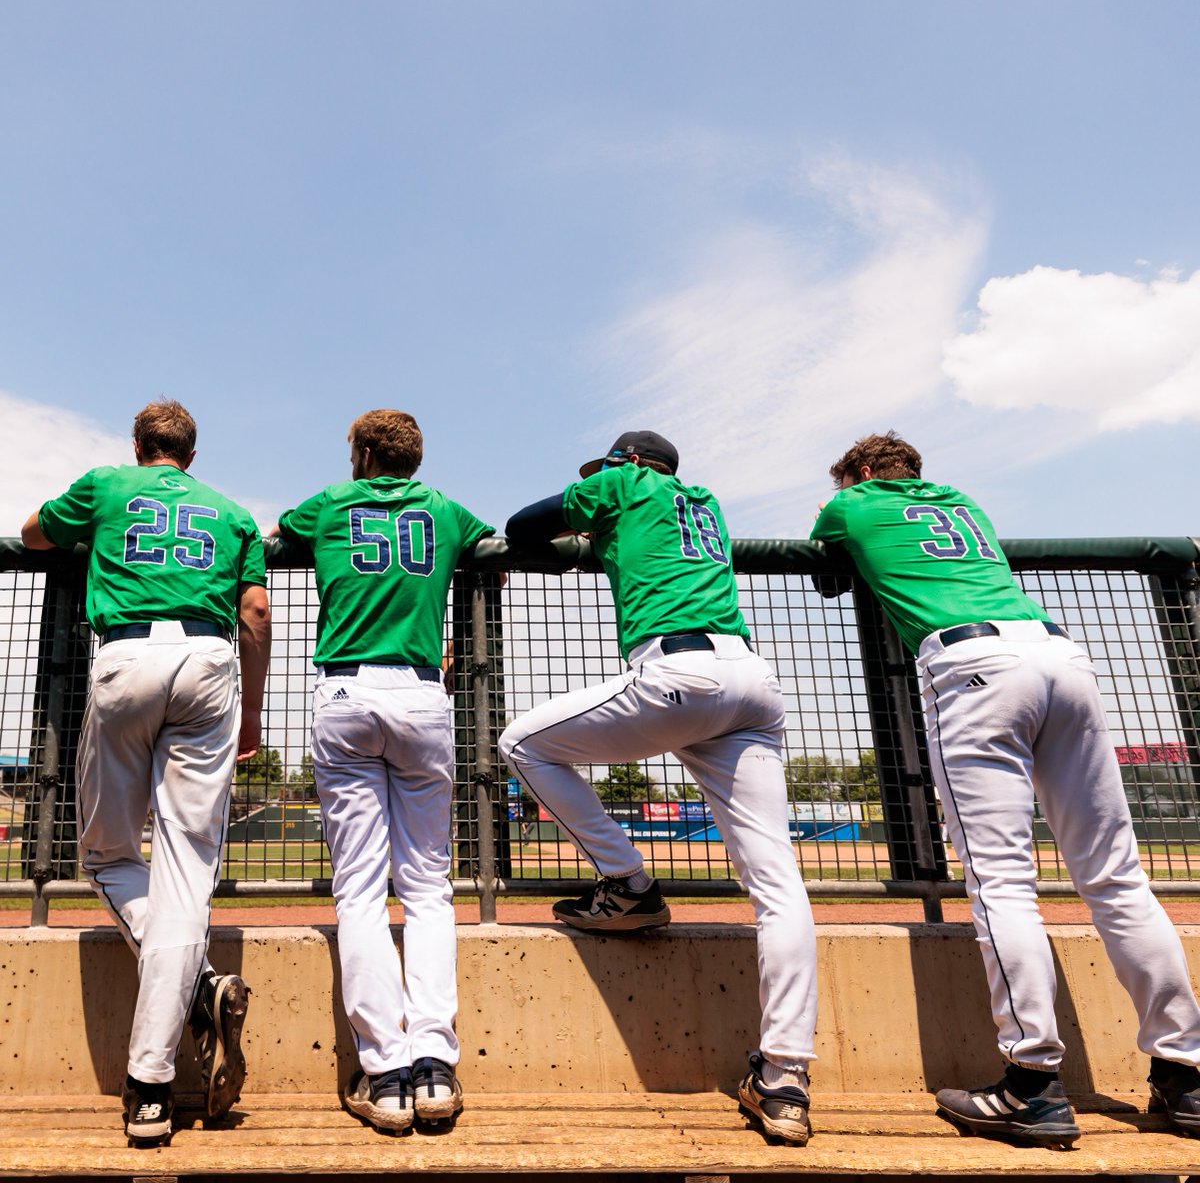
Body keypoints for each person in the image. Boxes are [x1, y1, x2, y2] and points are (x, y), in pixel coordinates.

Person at [810, 430, 1200, 1148]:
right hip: (1062, 656)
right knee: (1117, 878)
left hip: (974, 667)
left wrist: (848, 522)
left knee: (1002, 882)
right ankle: (1187, 1077)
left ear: (862, 470)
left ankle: (1032, 1087)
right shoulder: (963, 500)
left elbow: (829, 568)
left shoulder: (856, 499)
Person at [498, 430, 817, 1146]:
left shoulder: (624, 483)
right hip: (752, 682)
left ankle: (627, 885)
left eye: (603, 469)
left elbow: (522, 528)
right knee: (778, 885)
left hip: (678, 674)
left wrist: (579, 534)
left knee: (521, 742)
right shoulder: (703, 500)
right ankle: (785, 1078)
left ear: (627, 464)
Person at [21, 399, 271, 1145]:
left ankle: (187, 1010)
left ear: (139, 446)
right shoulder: (231, 511)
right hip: (209, 661)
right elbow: (255, 610)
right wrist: (252, 712)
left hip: (126, 655)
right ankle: (152, 1086)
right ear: (191, 455)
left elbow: (35, 534)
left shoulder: (105, 481)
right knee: (187, 870)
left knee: (104, 854)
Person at [275, 409, 493, 1135]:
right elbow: (487, 539)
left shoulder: (330, 503)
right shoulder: (446, 508)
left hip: (346, 692)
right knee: (428, 888)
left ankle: (386, 1072)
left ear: (366, 454)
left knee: (361, 888)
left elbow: (284, 527)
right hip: (423, 692)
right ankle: (434, 1065)